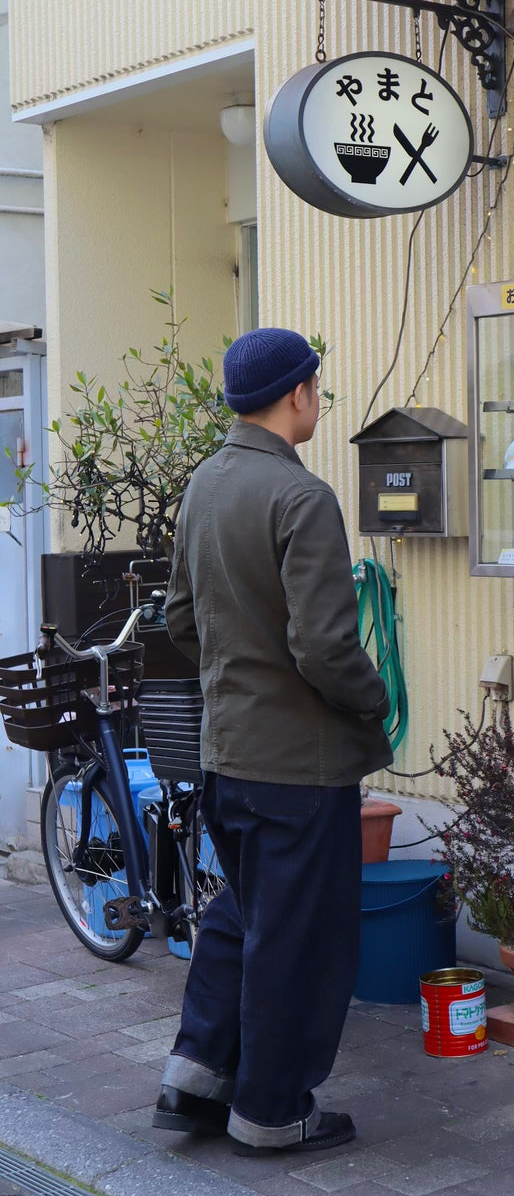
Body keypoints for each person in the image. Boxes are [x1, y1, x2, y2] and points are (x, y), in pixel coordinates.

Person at [152, 327, 393, 1154]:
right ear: (297, 394)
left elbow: (180, 619)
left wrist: (239, 668)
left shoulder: (204, 487)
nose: (318, 400)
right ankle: (271, 1112)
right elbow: (326, 648)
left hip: (229, 756)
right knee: (299, 937)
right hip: (302, 767)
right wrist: (374, 703)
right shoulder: (301, 498)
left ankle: (197, 1076)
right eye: (316, 388)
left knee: (243, 914)